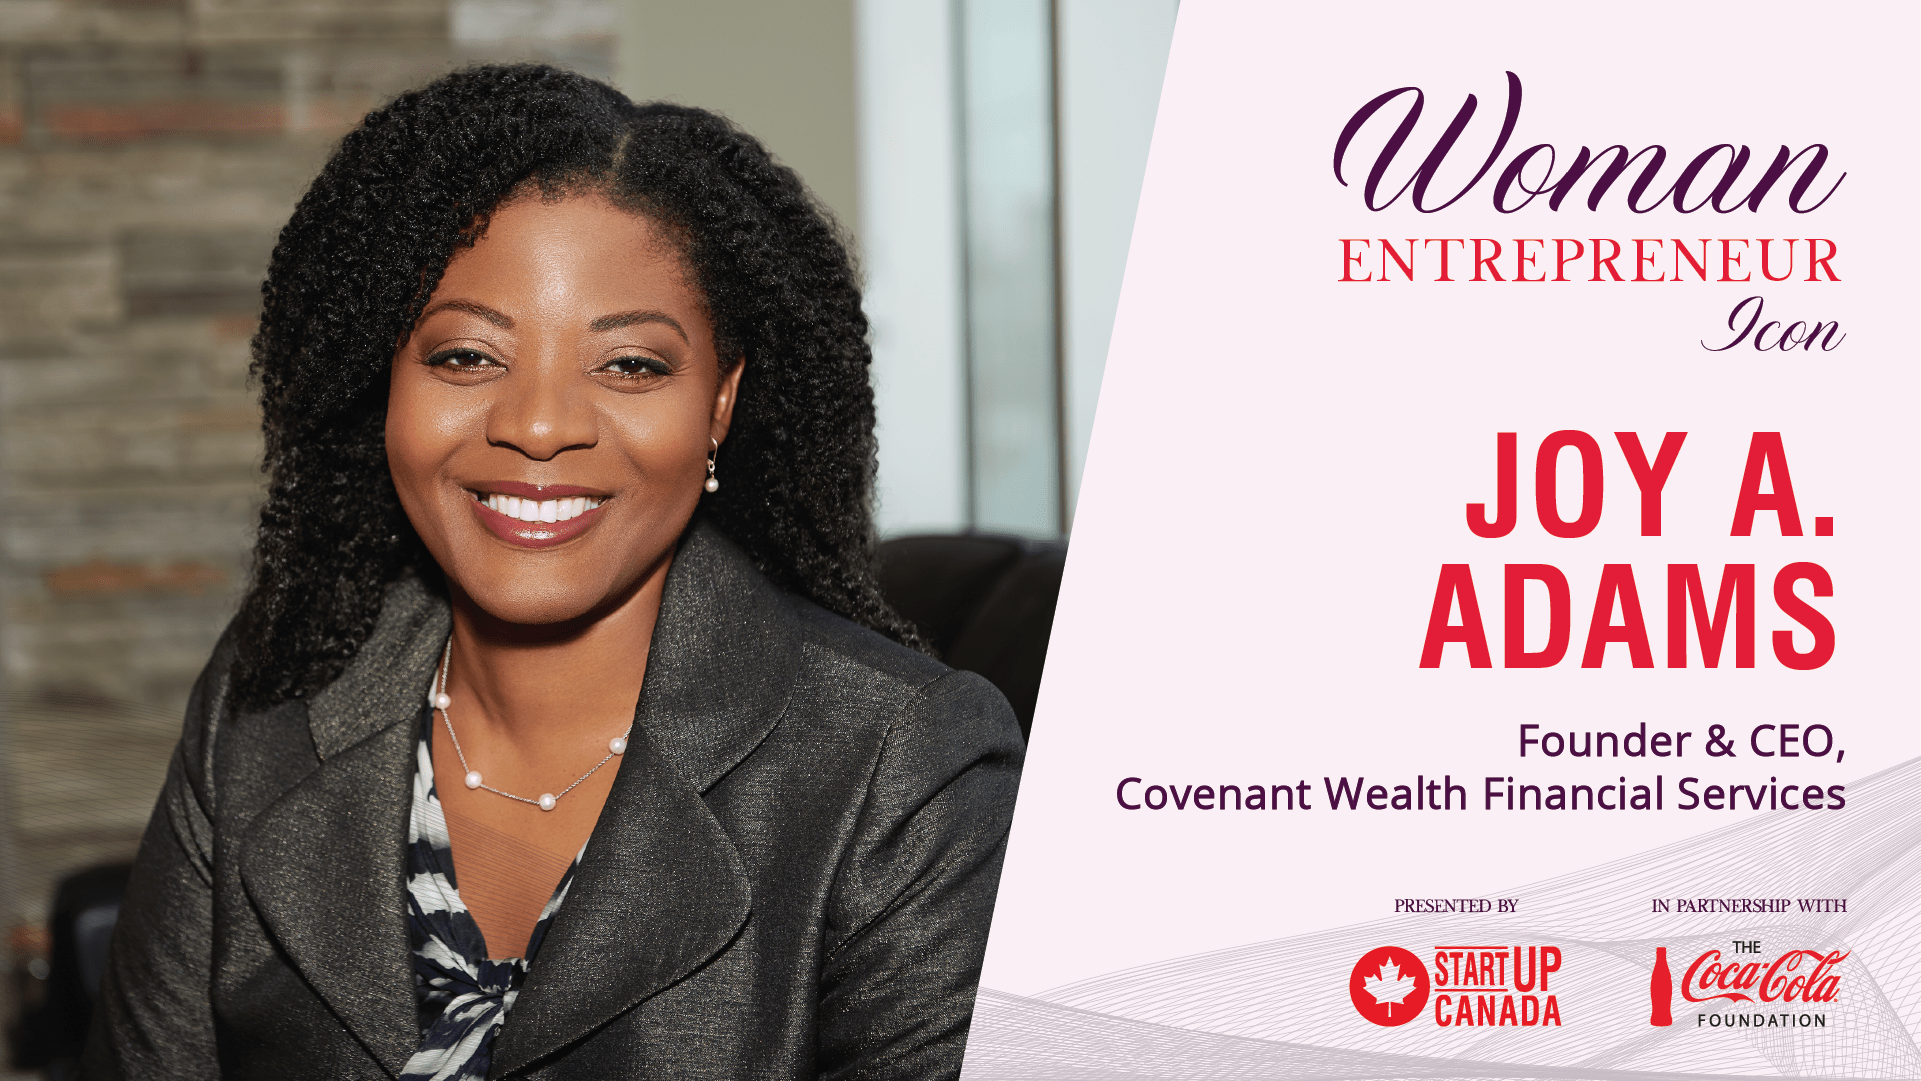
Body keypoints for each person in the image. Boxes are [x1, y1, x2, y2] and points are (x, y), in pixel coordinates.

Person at [81, 64, 1024, 1081]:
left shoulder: (905, 769)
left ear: (718, 403)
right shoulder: (267, 695)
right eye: (465, 357)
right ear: (380, 382)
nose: (536, 425)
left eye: (629, 365)